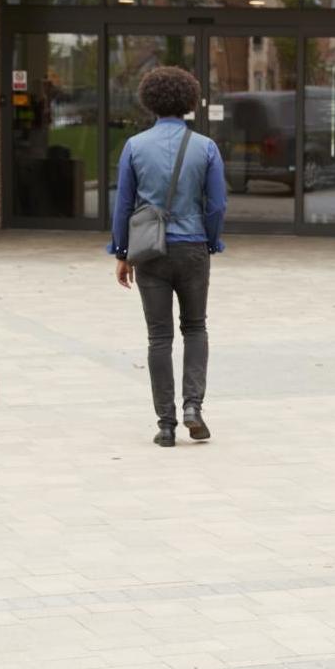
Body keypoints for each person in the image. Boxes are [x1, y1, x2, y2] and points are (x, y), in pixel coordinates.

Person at [109, 65, 227, 447]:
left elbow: (123, 204)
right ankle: (194, 405)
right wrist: (210, 241)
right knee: (195, 327)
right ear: (189, 100)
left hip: (150, 252)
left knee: (158, 336)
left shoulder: (134, 146)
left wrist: (122, 252)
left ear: (150, 101)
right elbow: (217, 204)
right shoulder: (206, 147)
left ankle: (166, 424)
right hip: (193, 247)